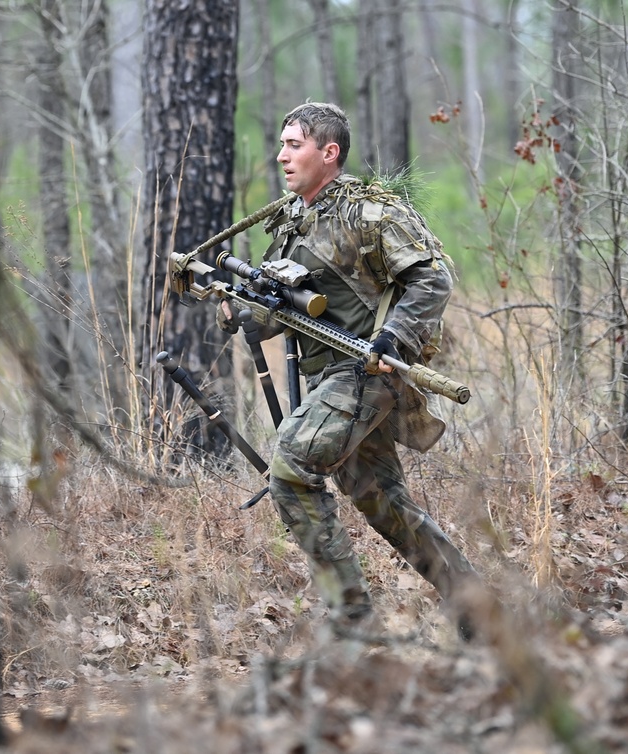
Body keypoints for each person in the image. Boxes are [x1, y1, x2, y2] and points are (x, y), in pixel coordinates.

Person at [218, 102, 480, 641]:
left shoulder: (369, 212)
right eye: (283, 144)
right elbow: (290, 307)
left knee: (290, 470)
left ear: (328, 152)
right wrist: (241, 311)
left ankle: (352, 618)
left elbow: (433, 279)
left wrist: (392, 338)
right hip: (334, 375)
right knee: (381, 501)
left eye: (294, 145)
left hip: (367, 369)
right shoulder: (294, 219)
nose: (282, 155)